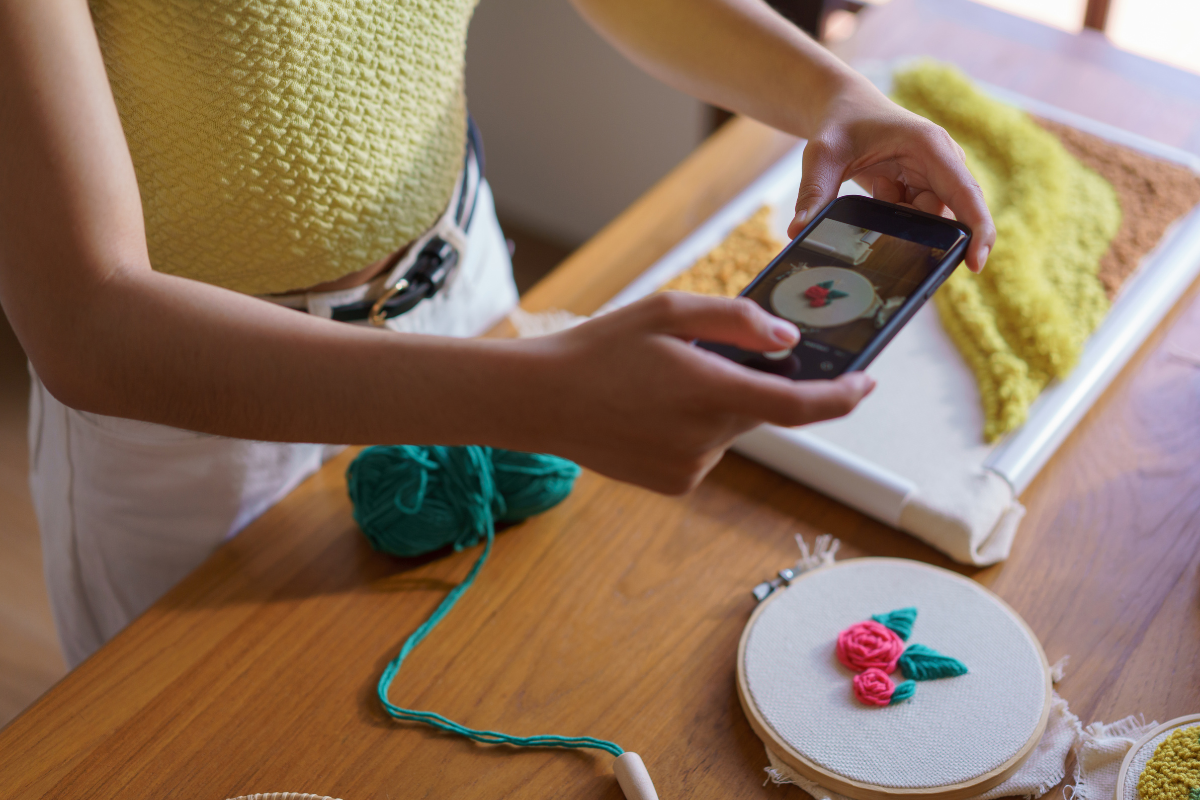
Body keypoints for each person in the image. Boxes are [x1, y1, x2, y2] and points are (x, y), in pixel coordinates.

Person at [0, 0, 995, 668]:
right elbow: (86, 316)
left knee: (500, 673)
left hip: (467, 290)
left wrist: (836, 97)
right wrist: (535, 394)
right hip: (199, 401)